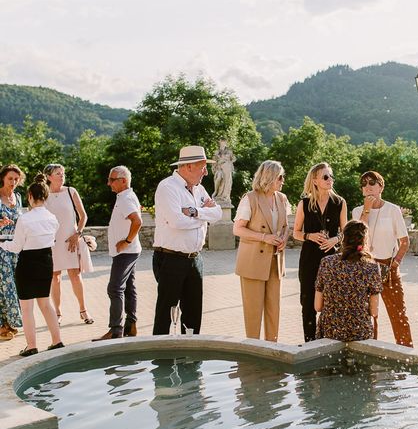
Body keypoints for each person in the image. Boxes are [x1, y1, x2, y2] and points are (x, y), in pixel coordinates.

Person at [152, 145, 222, 335]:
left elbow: (217, 213)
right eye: (202, 166)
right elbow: (176, 221)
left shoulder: (199, 189)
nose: (206, 172)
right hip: (171, 258)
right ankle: (161, 360)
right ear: (188, 166)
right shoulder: (167, 187)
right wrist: (202, 217)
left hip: (195, 259)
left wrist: (194, 212)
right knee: (166, 313)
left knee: (193, 313)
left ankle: (189, 358)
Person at [0, 174, 64, 356]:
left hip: (27, 263)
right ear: (45, 197)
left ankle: (32, 346)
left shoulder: (25, 219)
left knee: (27, 308)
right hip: (46, 262)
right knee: (46, 304)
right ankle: (57, 341)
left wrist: (1, 243)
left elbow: (15, 247)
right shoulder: (52, 218)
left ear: (29, 196)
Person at [352, 171, 413, 347]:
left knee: (398, 313)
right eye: (364, 184)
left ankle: (405, 352)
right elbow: (357, 238)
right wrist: (366, 210)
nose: (367, 186)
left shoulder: (392, 210)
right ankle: (370, 349)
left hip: (388, 266)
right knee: (368, 314)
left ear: (381, 186)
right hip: (365, 266)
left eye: (372, 183)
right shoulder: (357, 211)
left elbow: (404, 241)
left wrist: (396, 262)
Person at [233, 160, 290, 342]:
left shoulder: (282, 198)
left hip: (275, 262)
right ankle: (254, 351)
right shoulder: (249, 198)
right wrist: (264, 238)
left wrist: (283, 239)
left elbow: (285, 226)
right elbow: (238, 229)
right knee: (253, 311)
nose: (283, 180)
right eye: (280, 177)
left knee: (274, 309)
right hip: (253, 263)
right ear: (270, 177)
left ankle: (272, 349)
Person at [293, 162, 347, 342]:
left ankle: (329, 341)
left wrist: (335, 239)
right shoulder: (305, 203)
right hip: (309, 259)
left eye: (331, 176)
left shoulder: (339, 202)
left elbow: (345, 232)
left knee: (332, 302)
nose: (330, 179)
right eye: (325, 177)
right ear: (315, 180)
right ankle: (310, 343)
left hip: (332, 258)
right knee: (307, 302)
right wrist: (310, 236)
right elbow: (296, 233)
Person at [93, 166, 143, 341]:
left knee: (114, 288)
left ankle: (116, 329)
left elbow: (137, 221)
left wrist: (126, 241)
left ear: (123, 181)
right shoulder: (125, 196)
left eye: (112, 179)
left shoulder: (125, 199)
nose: (108, 183)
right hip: (129, 251)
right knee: (129, 288)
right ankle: (131, 325)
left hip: (126, 252)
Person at [43, 163, 94, 325]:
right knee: (55, 277)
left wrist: (77, 234)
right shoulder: (43, 194)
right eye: (58, 173)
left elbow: (83, 216)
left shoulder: (71, 191)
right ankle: (57, 313)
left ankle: (83, 310)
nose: (61, 175)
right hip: (51, 242)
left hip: (71, 240)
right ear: (49, 177)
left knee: (75, 275)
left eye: (62, 173)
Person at [315, 219, 381, 341]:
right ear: (364, 241)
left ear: (343, 239)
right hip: (359, 332)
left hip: (330, 332)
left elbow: (318, 306)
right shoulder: (371, 267)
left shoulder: (327, 262)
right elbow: (374, 311)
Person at [0, 165, 25, 341]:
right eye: (10, 178)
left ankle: (10, 323)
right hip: (1, 247)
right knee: (4, 286)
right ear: (2, 178)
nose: (13, 182)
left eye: (16, 179)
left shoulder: (18, 197)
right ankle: (2, 325)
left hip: (16, 248)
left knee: (15, 285)